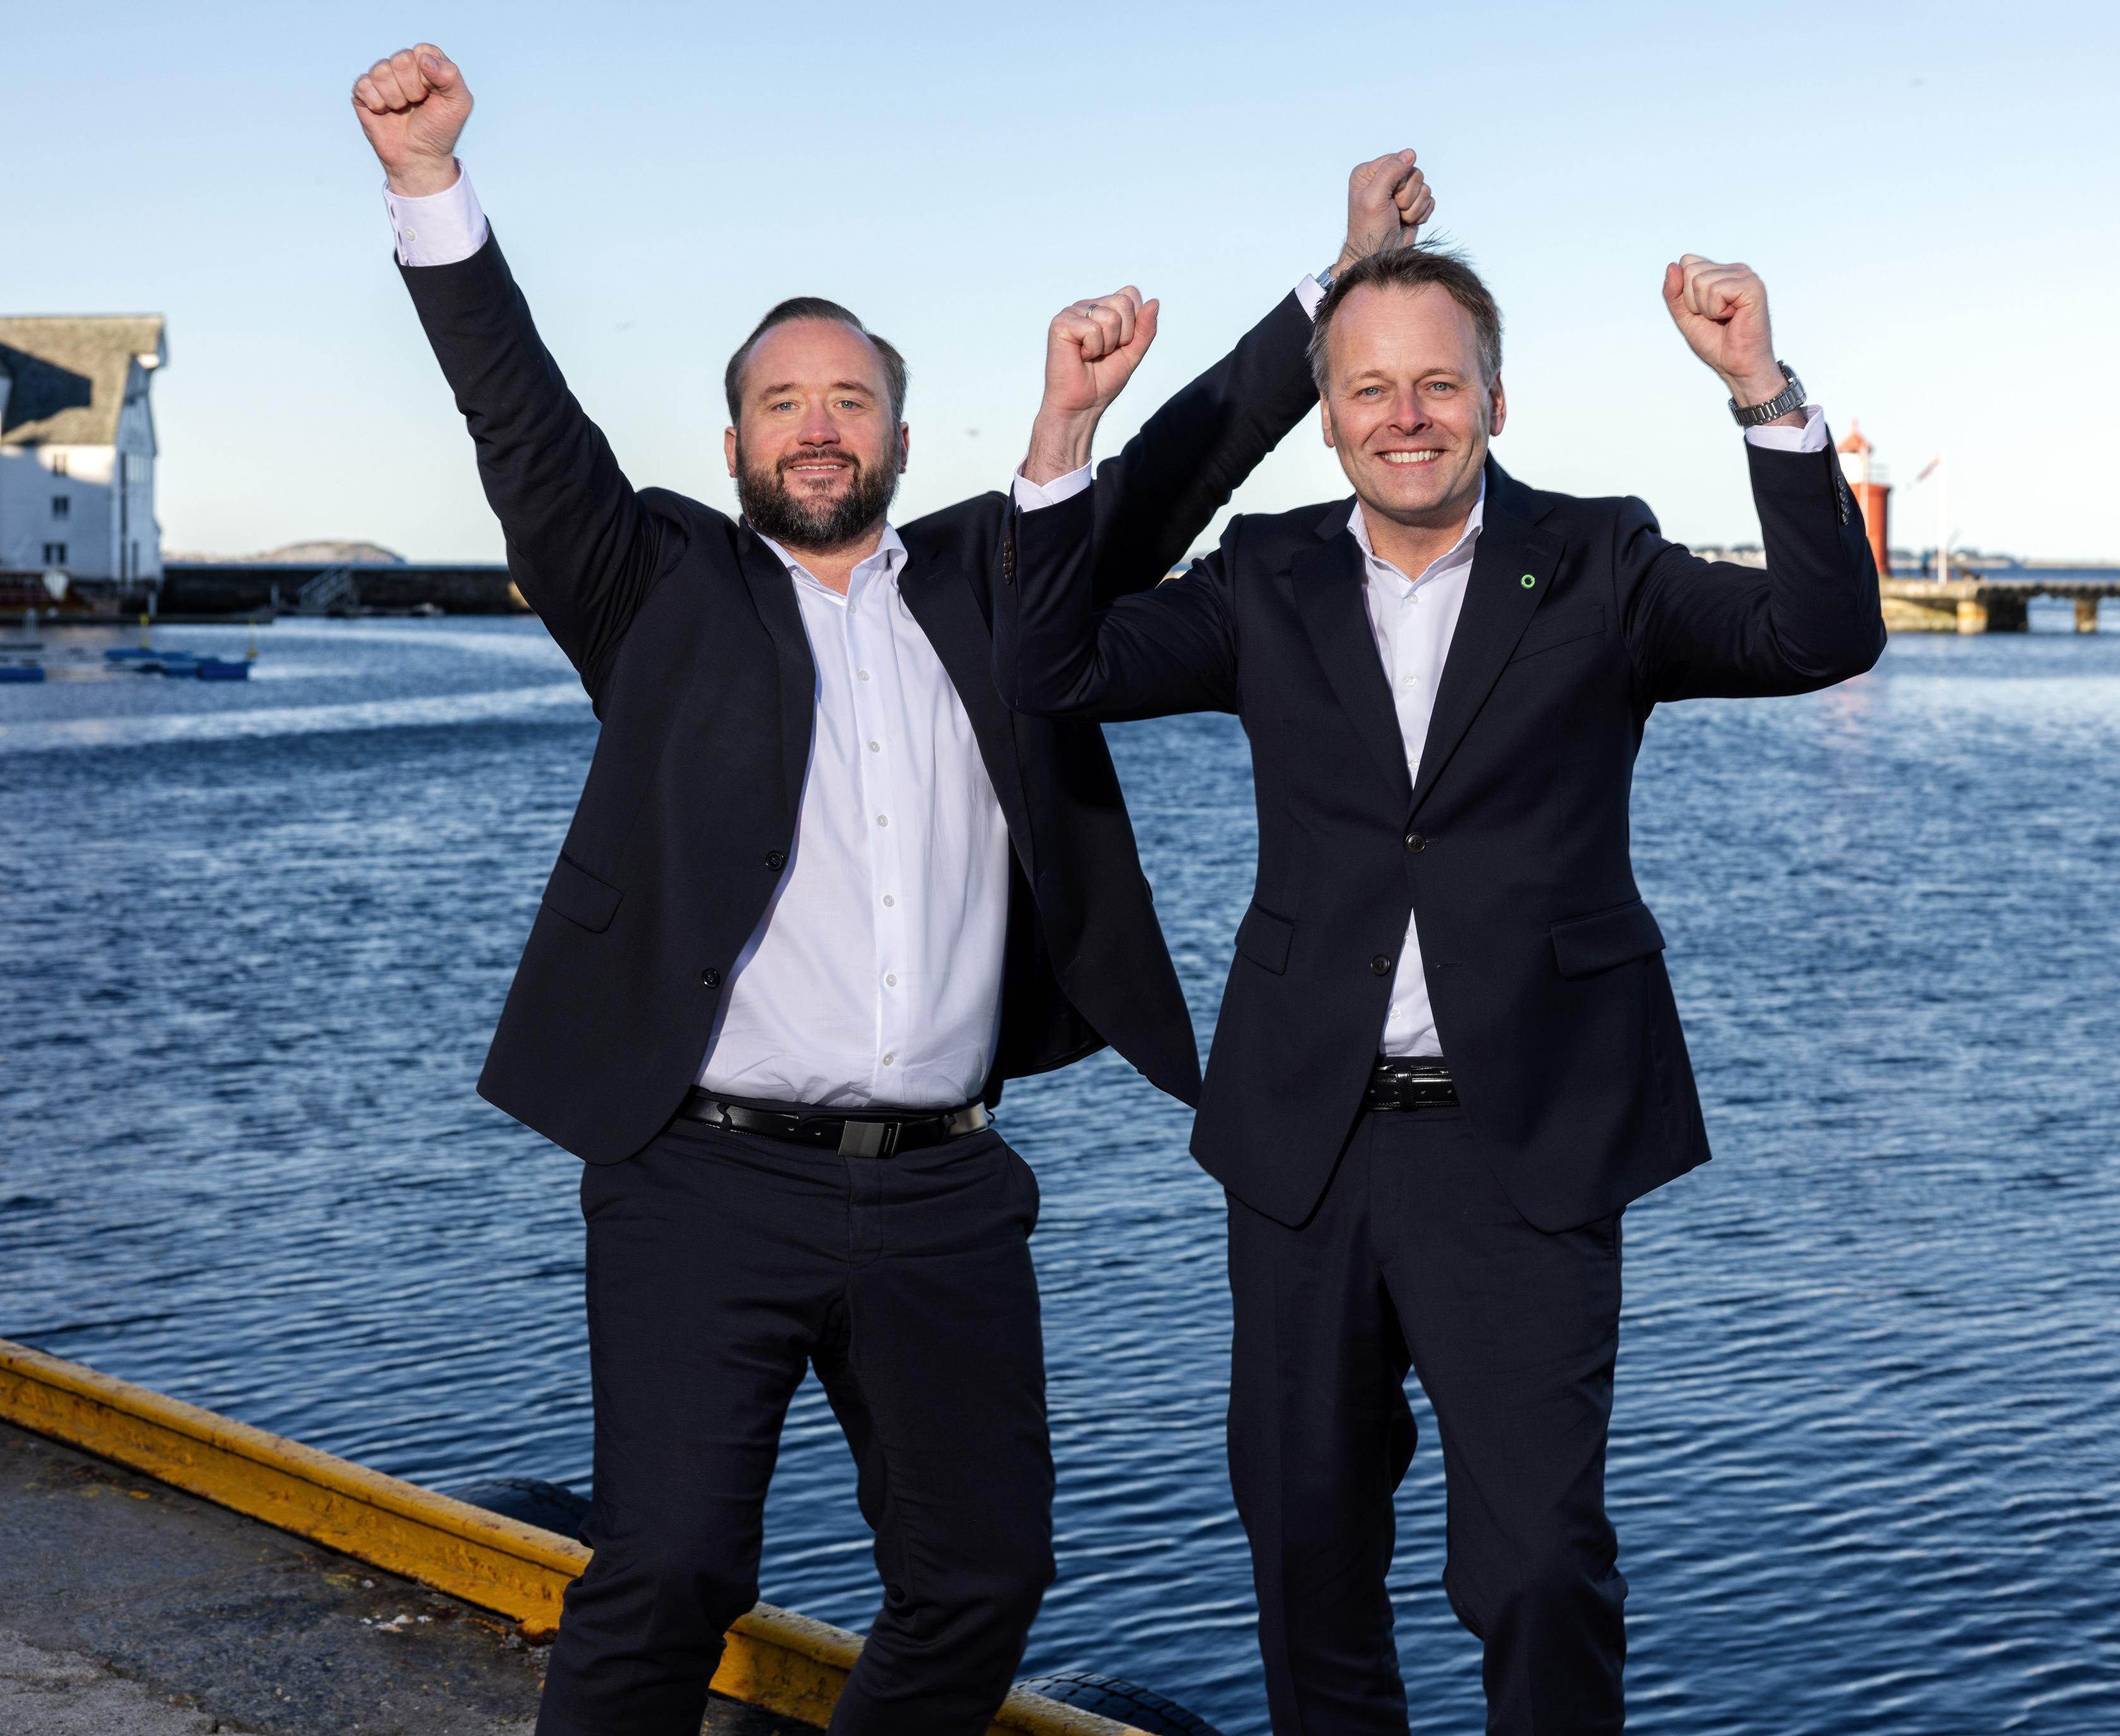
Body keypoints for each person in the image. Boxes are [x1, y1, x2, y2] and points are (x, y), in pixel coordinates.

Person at [348, 41, 1435, 1736]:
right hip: (702, 1181)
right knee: (668, 1576)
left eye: (850, 398)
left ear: (904, 433)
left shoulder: (998, 587)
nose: (819, 426)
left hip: (942, 1190)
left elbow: (1178, 461)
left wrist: (1348, 271)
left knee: (981, 1583)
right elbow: (519, 413)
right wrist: (431, 186)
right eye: (784, 401)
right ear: (731, 441)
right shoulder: (658, 590)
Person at [994, 243, 1884, 1731]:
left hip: (1521, 1144)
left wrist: (1759, 391)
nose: (1407, 415)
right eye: (1371, 390)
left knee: (1538, 1567)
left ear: (1495, 399)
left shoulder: (1600, 560)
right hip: (1307, 1141)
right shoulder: (1265, 574)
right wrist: (1065, 434)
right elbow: (1048, 669)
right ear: (1331, 418)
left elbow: (1822, 634)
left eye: (1438, 384)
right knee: (1306, 1550)